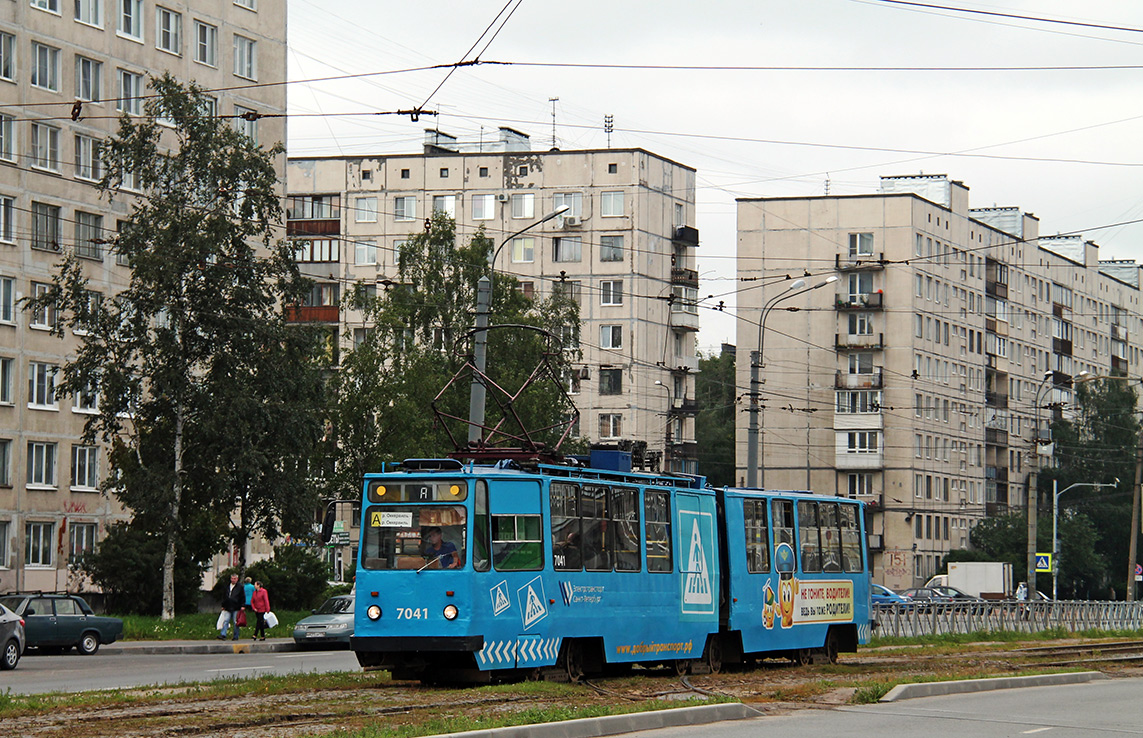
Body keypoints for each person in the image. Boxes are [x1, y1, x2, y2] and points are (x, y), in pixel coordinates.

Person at [218, 573, 245, 640]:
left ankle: (236, 636)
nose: (233, 580)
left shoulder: (240, 587)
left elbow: (242, 596)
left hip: (236, 606)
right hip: (228, 606)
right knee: (226, 620)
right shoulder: (227, 586)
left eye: (234, 579)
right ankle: (223, 634)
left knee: (235, 622)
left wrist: (242, 605)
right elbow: (224, 596)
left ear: (237, 579)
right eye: (232, 578)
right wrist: (223, 605)